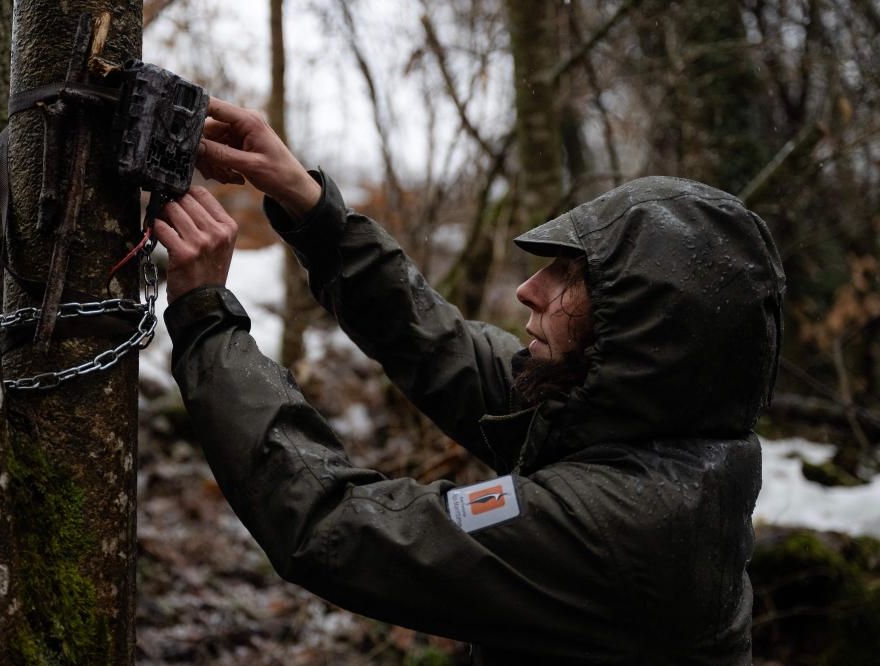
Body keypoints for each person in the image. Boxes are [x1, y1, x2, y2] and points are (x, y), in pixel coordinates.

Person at [151, 97, 786, 665]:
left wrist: (207, 320)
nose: (528, 289)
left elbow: (336, 527)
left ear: (648, 326)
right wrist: (310, 206)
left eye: (567, 275)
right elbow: (441, 347)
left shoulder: (626, 529)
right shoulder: (642, 428)